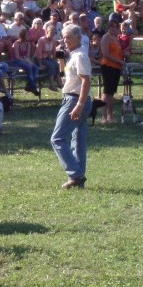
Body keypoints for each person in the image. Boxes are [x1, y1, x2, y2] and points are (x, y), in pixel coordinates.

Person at [51, 24, 92, 189]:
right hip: (74, 98)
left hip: (75, 100)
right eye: (64, 37)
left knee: (57, 138)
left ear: (78, 38)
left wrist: (79, 105)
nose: (65, 40)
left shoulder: (81, 56)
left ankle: (75, 174)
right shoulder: (73, 56)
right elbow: (64, 80)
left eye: (69, 37)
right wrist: (61, 60)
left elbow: (86, 81)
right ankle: (79, 179)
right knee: (78, 140)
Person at [100, 17, 125, 124]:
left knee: (112, 93)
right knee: (107, 92)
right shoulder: (106, 37)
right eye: (112, 26)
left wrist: (124, 55)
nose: (114, 29)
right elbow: (105, 54)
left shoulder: (117, 38)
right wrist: (119, 61)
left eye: (116, 27)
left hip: (116, 67)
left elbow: (118, 53)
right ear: (108, 27)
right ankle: (104, 117)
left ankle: (111, 116)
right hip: (108, 66)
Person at [10, 28, 39, 96]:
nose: (29, 36)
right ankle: (33, 87)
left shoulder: (28, 44)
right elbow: (17, 56)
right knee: (28, 67)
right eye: (27, 35)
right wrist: (27, 61)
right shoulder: (17, 43)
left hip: (24, 60)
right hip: (15, 61)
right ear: (23, 35)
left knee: (35, 67)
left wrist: (29, 61)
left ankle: (30, 85)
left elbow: (27, 56)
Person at [35, 24, 63, 91]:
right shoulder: (41, 40)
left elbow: (54, 53)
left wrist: (55, 60)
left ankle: (59, 82)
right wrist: (40, 64)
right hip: (40, 59)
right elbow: (38, 53)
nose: (53, 34)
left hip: (47, 58)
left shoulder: (53, 41)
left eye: (54, 32)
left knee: (56, 64)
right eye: (51, 32)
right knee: (51, 65)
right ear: (47, 32)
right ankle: (52, 84)